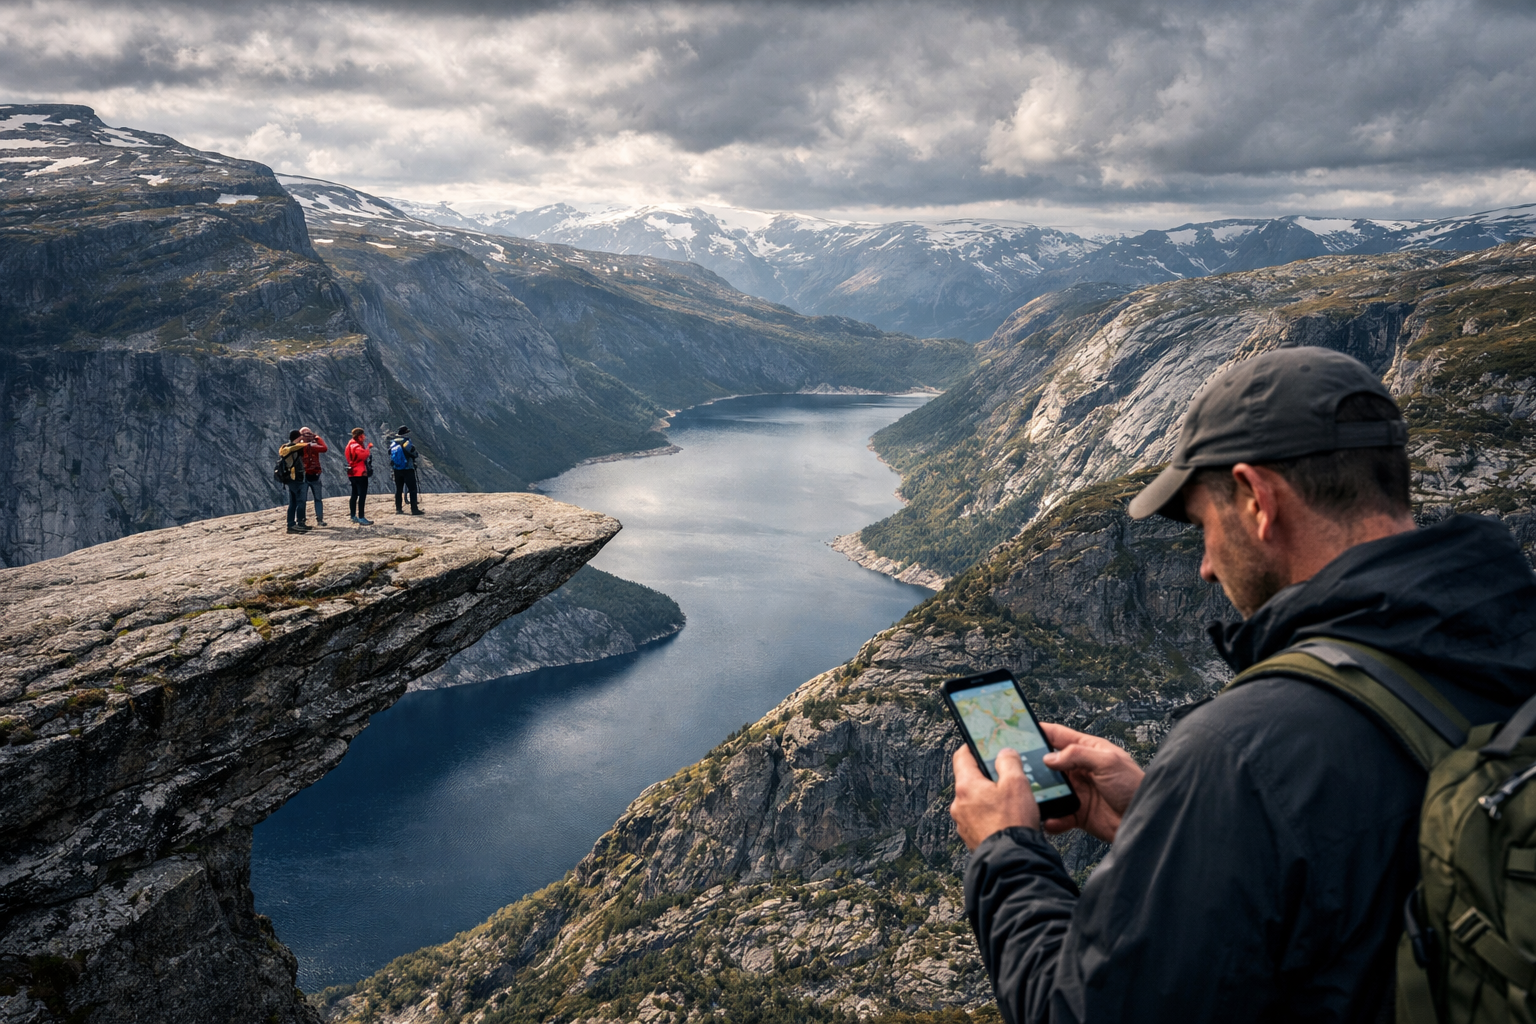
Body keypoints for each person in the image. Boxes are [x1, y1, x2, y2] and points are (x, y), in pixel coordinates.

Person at [950, 346, 1536, 1023]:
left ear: (1257, 500)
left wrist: (1006, 853)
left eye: (1205, 525)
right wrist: (1164, 821)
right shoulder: (1506, 643)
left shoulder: (1244, 752)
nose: (1203, 565)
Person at [277, 430, 311, 534]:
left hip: (291, 479)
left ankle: (291, 524)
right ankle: (299, 523)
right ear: (297, 437)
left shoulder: (284, 447)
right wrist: (309, 440)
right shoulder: (291, 448)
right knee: (300, 501)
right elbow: (302, 446)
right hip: (296, 478)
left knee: (293, 503)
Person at [297, 426, 329, 526]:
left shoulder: (303, 445)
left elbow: (324, 449)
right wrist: (316, 437)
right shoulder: (304, 446)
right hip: (305, 475)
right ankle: (303, 521)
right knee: (307, 499)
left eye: (309, 433)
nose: (308, 435)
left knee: (309, 499)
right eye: (305, 434)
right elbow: (324, 448)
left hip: (312, 475)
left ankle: (314, 520)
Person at [390, 425, 423, 516]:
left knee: (399, 489)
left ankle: (398, 509)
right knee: (412, 489)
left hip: (397, 469)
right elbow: (414, 454)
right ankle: (414, 509)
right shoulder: (407, 443)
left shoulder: (393, 443)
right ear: (406, 433)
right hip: (408, 469)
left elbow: (390, 454)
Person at [345, 427, 374, 525]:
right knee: (362, 495)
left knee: (354, 494)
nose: (364, 437)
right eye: (363, 435)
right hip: (360, 473)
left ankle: (353, 515)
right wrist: (368, 448)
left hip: (352, 472)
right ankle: (361, 517)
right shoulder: (356, 446)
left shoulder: (349, 445)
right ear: (360, 436)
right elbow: (363, 455)